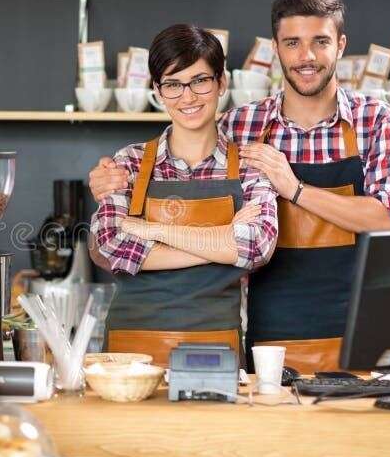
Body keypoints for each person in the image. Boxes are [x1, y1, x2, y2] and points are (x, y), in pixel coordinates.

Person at [88, 0, 390, 373]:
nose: (306, 56)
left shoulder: (376, 120)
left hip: (363, 326)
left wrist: (294, 189)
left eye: (320, 41)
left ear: (340, 45)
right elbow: (111, 240)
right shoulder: (240, 126)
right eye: (292, 43)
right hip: (270, 335)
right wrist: (107, 182)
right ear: (276, 48)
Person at [90, 24, 278, 366]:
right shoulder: (129, 163)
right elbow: (110, 244)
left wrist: (152, 230)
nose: (187, 97)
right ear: (158, 91)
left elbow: (256, 247)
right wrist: (223, 240)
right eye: (173, 84)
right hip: (129, 352)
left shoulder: (249, 166)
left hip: (215, 350)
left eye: (200, 80)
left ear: (221, 83)